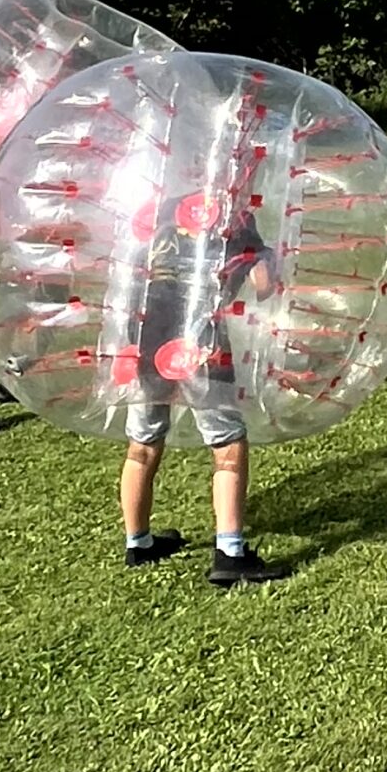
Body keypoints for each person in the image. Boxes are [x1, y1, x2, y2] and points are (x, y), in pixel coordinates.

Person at [120, 188, 292, 584]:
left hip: (145, 333)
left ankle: (138, 541)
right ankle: (230, 554)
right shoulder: (231, 213)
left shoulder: (158, 205)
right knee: (227, 443)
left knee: (143, 442)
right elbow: (264, 286)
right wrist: (268, 258)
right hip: (200, 341)